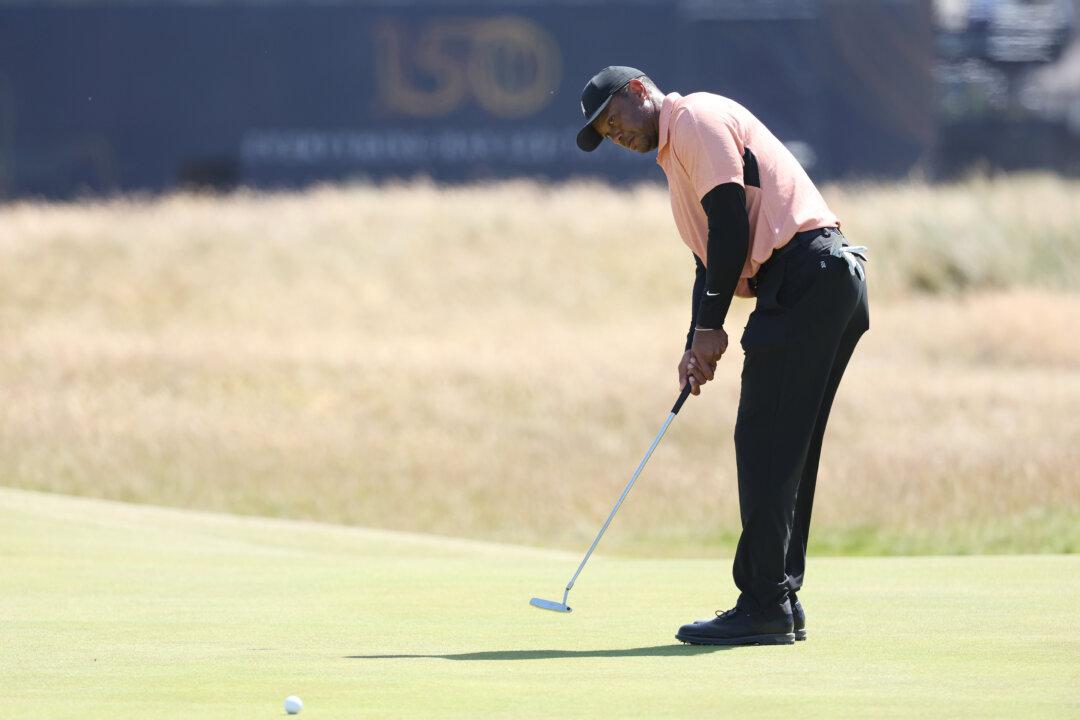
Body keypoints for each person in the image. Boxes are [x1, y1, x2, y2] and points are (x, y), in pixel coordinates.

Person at [575, 66, 869, 646]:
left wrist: (712, 328)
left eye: (614, 119)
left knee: (765, 441)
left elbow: (731, 226)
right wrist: (696, 340)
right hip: (820, 280)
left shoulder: (693, 119)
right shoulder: (676, 154)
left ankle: (763, 603)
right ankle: (778, 597)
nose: (616, 135)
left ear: (639, 91)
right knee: (783, 446)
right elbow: (709, 261)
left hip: (806, 275)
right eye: (606, 133)